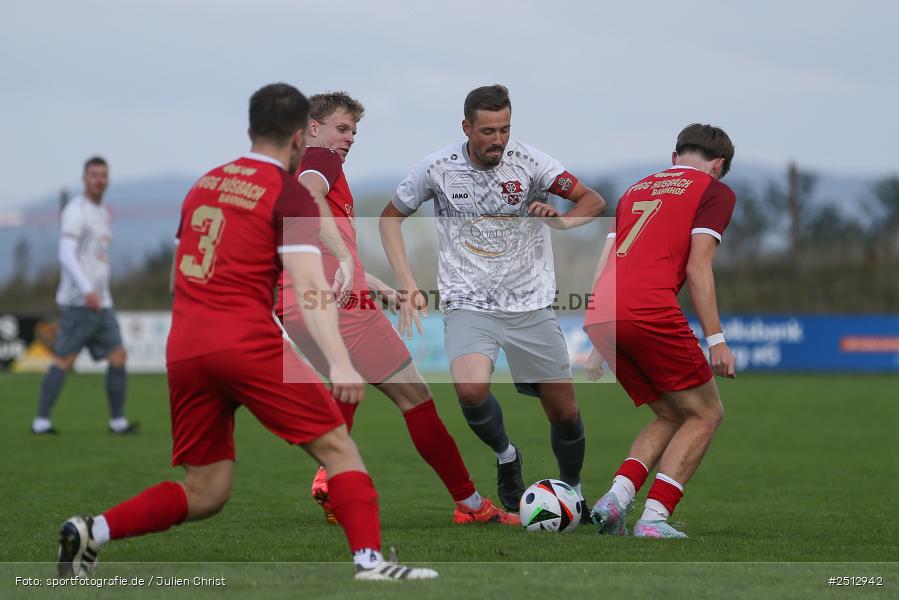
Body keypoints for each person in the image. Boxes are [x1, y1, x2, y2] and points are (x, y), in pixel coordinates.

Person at [56, 83, 437, 581]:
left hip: (186, 346)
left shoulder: (205, 184)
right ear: (301, 137)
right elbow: (305, 283)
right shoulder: (288, 191)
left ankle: (93, 531)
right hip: (244, 342)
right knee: (339, 448)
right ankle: (371, 563)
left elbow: (179, 277)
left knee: (207, 490)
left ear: (250, 129)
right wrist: (339, 361)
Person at [276, 91, 518, 527]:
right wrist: (349, 263)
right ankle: (471, 507)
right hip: (337, 304)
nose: (348, 139)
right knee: (416, 398)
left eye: (354, 131)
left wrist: (381, 288)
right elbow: (311, 202)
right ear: (313, 128)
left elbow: (312, 248)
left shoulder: (285, 172)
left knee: (347, 383)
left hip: (294, 305)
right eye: (341, 128)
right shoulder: (320, 160)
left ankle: (332, 477)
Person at [379, 84, 606, 513]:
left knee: (564, 412)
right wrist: (407, 282)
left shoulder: (532, 163)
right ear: (467, 127)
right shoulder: (436, 168)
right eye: (487, 131)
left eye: (504, 129)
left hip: (530, 302)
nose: (497, 139)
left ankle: (572, 490)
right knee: (469, 389)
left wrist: (562, 222)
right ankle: (506, 455)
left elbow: (592, 201)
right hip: (468, 301)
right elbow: (390, 219)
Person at [583, 123, 737, 539]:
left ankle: (615, 498)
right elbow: (698, 266)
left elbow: (608, 259)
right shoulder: (714, 190)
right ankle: (653, 518)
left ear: (675, 158)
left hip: (604, 313)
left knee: (671, 412)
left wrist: (598, 337)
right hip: (649, 309)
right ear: (719, 165)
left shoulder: (634, 189)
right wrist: (717, 340)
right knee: (707, 413)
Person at [32, 156, 137, 435]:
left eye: (103, 175)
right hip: (79, 303)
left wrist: (102, 294)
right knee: (64, 360)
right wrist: (86, 289)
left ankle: (118, 422)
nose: (99, 180)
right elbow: (65, 254)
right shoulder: (75, 210)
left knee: (118, 355)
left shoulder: (102, 212)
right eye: (93, 175)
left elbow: (97, 258)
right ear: (84, 179)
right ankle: (41, 422)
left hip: (102, 302)